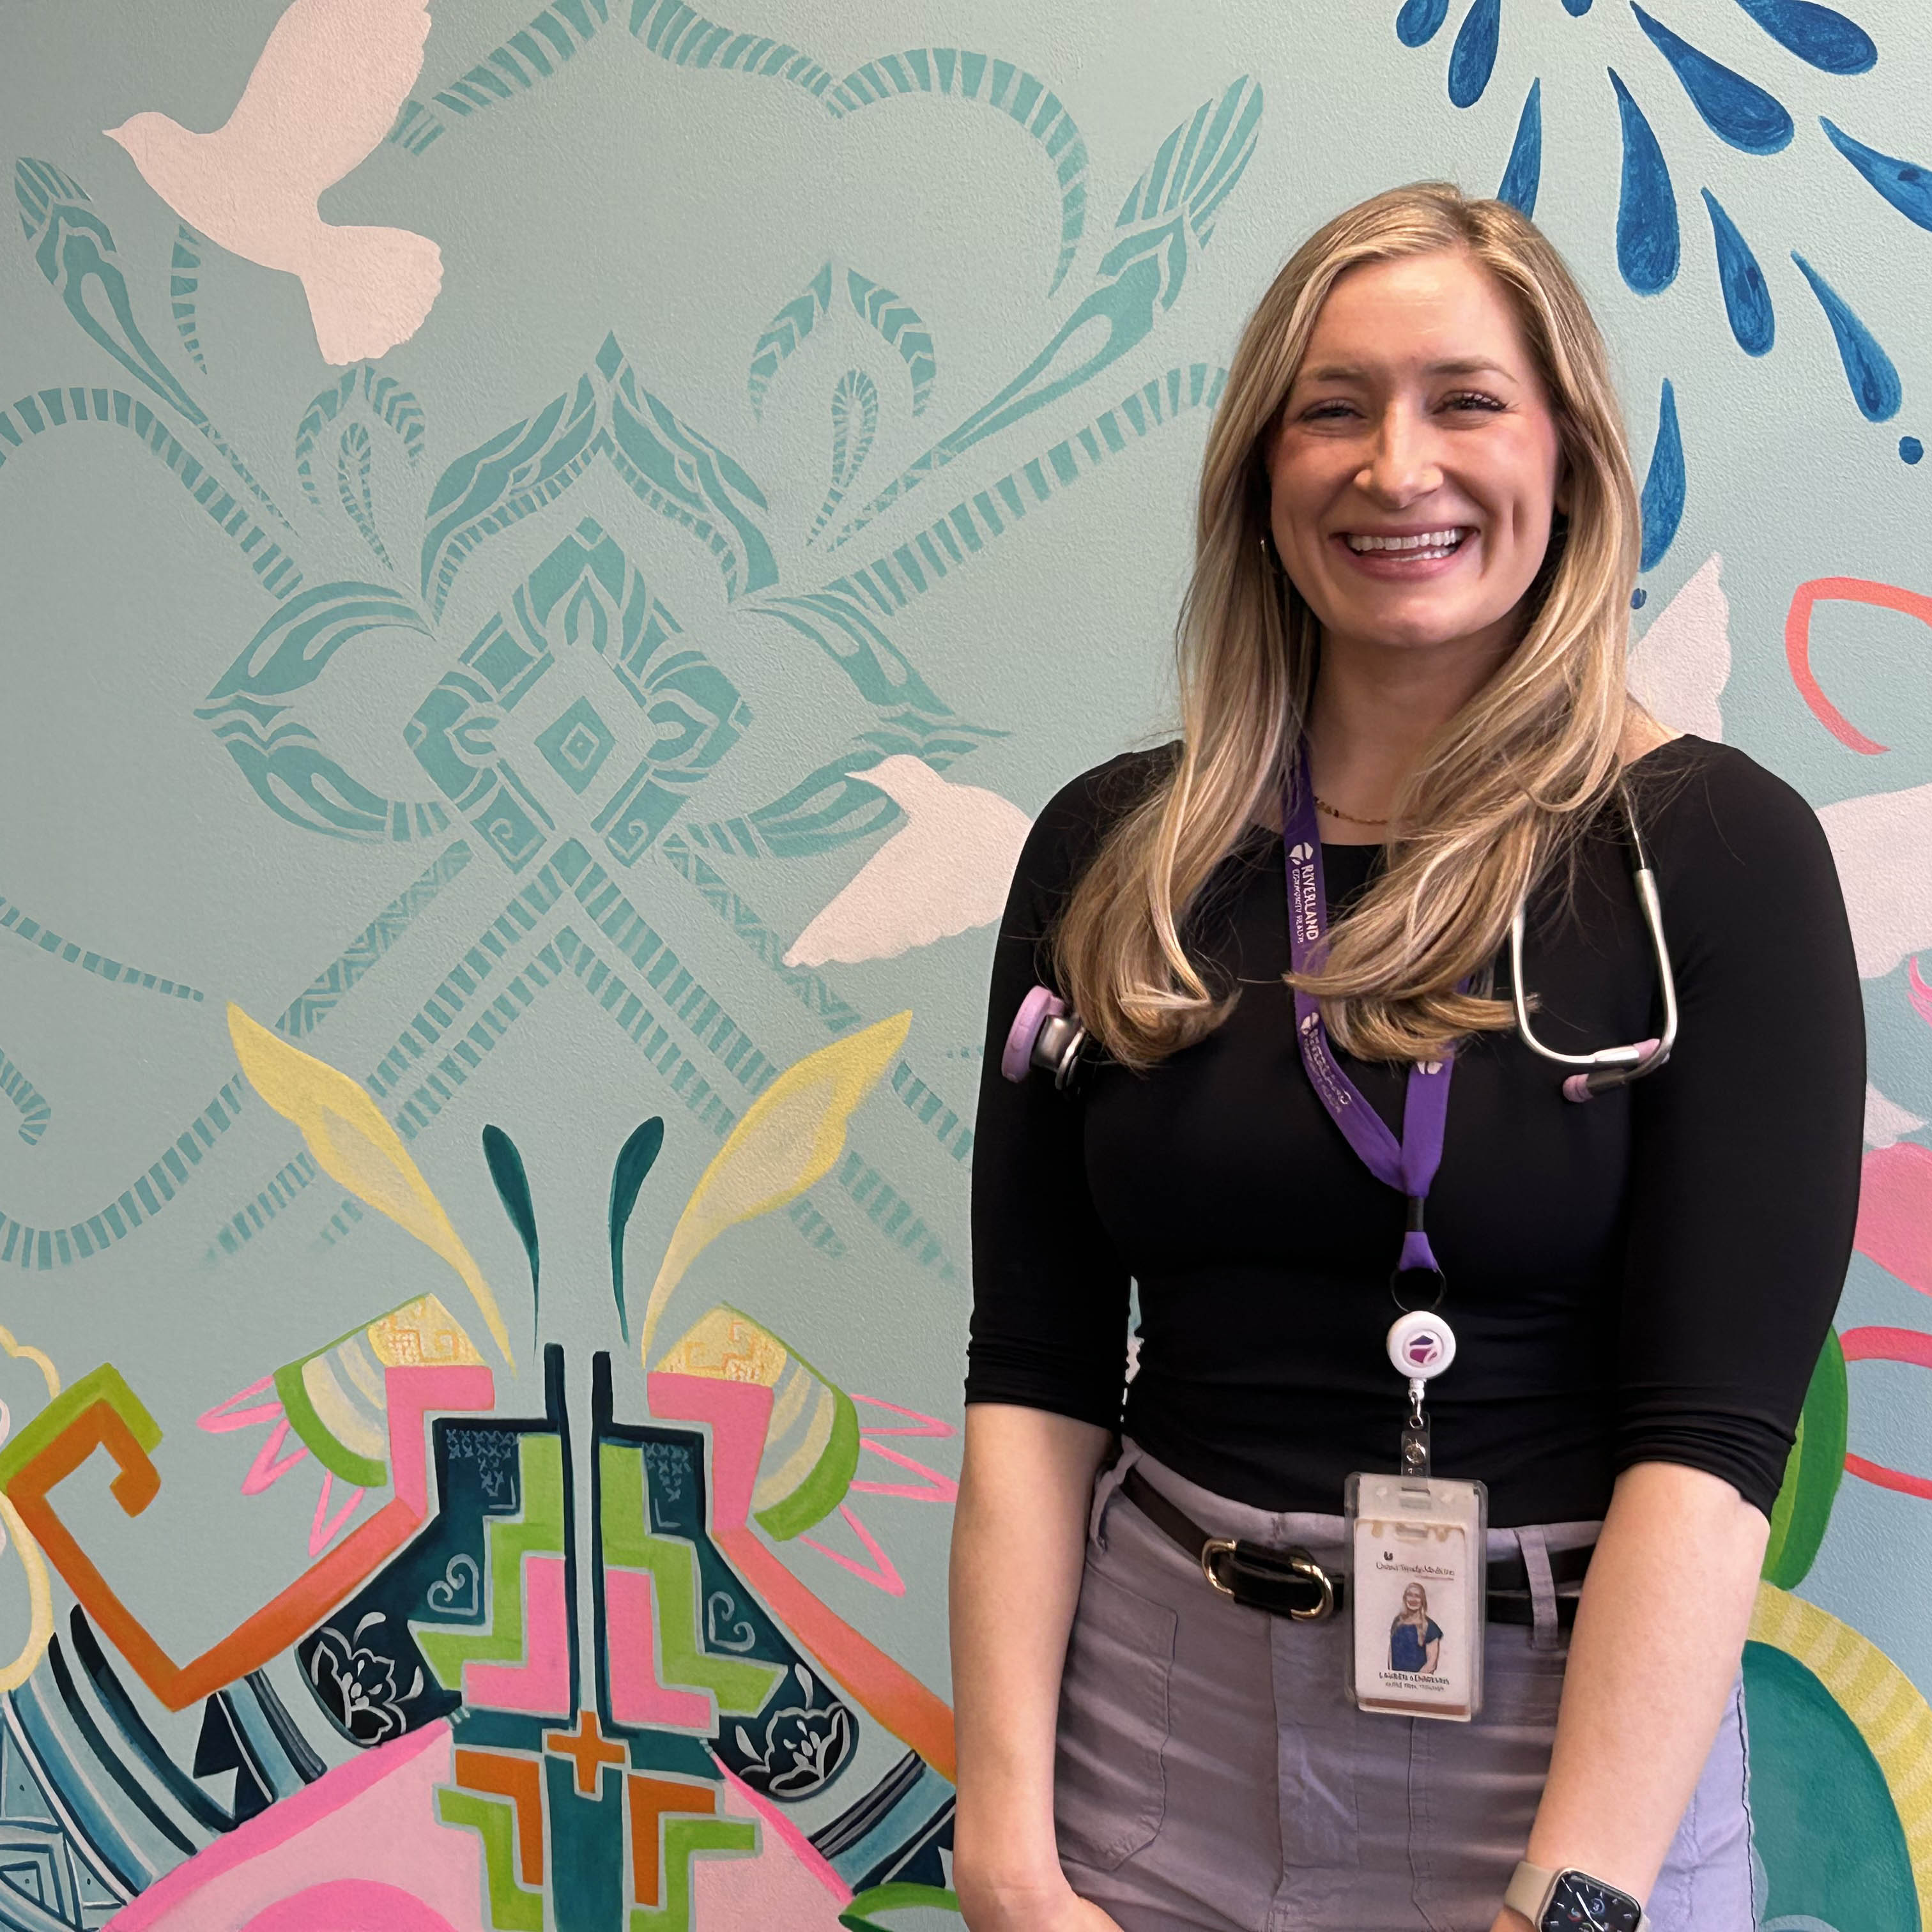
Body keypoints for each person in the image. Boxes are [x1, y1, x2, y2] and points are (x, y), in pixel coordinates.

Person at [949, 181, 1864, 1932]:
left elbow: (1712, 1444)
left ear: (1567, 460)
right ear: (1261, 474)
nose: (1396, 466)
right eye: (1334, 409)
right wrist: (1002, 1853)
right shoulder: (1113, 855)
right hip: (1153, 1734)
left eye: (1466, 400)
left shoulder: (1712, 859)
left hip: (1566, 1764)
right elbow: (1037, 1375)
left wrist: (1571, 1898)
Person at [1388, 1583, 1442, 1676]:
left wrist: (1412, 1681)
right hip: (1396, 1681)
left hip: (1419, 1682)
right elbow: (1391, 1652)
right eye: (1410, 1595)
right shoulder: (1397, 1622)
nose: (1413, 1599)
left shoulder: (1430, 1626)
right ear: (1405, 1598)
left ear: (1423, 1601)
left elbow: (1431, 1663)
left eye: (1417, 1596)